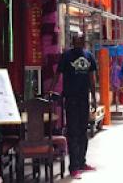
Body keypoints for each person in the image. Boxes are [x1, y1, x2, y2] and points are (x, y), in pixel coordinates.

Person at [49, 36, 97, 179]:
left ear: (84, 43)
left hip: (84, 100)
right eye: (76, 41)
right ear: (73, 42)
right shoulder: (66, 56)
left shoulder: (89, 56)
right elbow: (57, 75)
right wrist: (51, 91)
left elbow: (92, 79)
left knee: (83, 132)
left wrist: (94, 98)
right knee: (73, 132)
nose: (79, 43)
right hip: (70, 99)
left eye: (81, 41)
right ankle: (74, 167)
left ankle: (82, 163)